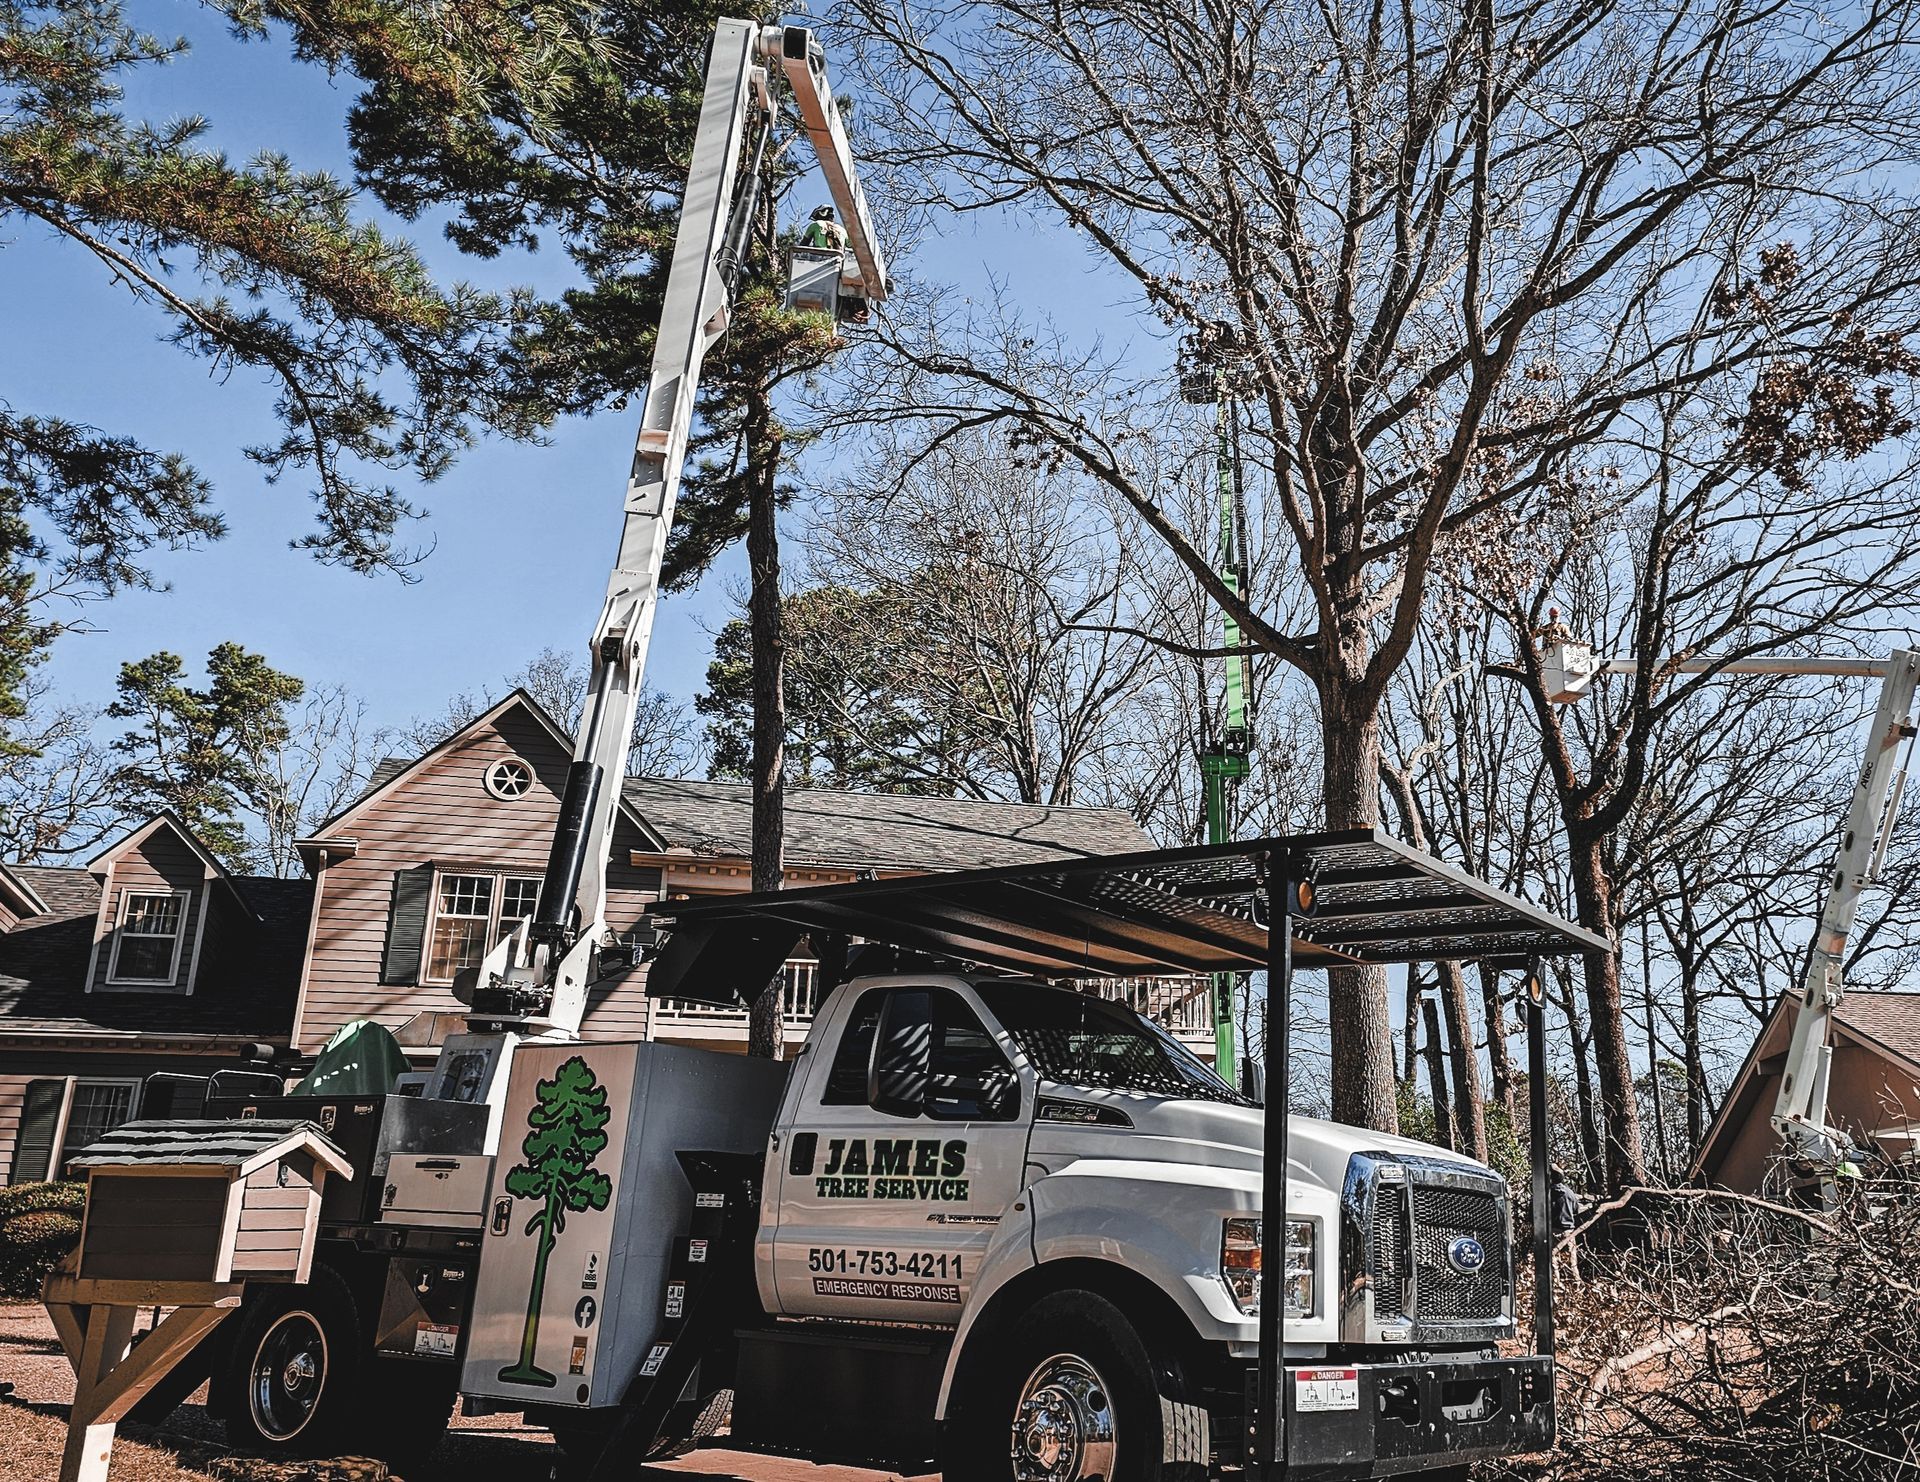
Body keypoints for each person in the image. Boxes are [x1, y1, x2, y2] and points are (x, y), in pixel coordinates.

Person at [1549, 1166, 1582, 1283]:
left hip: (1553, 1231)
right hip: (1569, 1232)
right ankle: (1576, 1286)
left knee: (1553, 1261)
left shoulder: (1546, 1193)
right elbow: (1576, 1210)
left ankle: (1557, 1286)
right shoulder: (1570, 1193)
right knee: (1572, 1262)